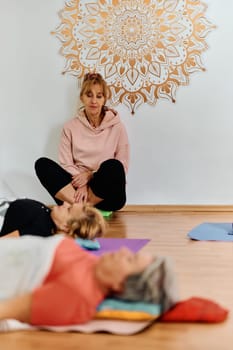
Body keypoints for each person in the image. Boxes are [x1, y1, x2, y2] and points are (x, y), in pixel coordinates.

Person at [0, 235, 178, 326]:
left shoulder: (78, 293)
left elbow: (8, 309)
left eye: (130, 259)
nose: (124, 250)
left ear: (120, 286)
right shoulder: (91, 263)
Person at [35, 72, 130, 212]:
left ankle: (81, 207)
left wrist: (90, 176)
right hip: (76, 189)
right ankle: (84, 206)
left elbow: (123, 165)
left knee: (114, 166)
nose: (94, 101)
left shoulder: (117, 127)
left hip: (105, 196)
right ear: (82, 97)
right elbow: (66, 162)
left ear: (105, 99)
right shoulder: (69, 127)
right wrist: (81, 184)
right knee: (42, 164)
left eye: (99, 96)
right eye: (89, 95)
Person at [0, 198, 106, 240]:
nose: (65, 203)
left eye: (68, 209)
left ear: (65, 226)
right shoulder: (51, 217)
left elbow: (8, 239)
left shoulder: (42, 229)